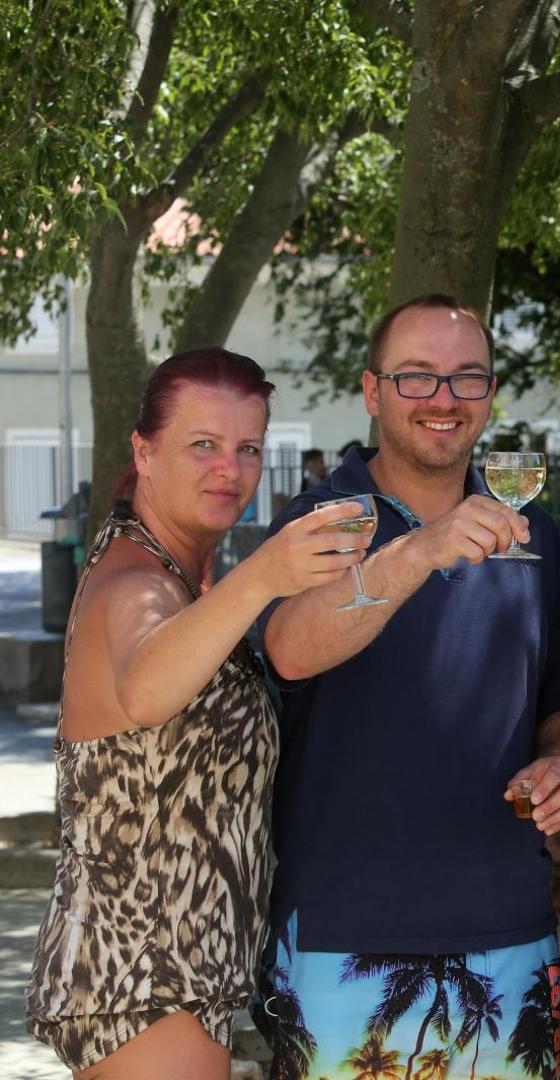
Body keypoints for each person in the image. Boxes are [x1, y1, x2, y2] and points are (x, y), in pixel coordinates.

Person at [252, 295, 560, 1079]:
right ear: (373, 393)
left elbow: (559, 703)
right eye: (417, 378)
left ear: (491, 394)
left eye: (467, 379)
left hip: (509, 935)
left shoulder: (533, 533)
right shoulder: (320, 519)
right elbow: (291, 650)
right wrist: (419, 548)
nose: (444, 399)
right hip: (345, 941)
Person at [27, 348, 369, 1078]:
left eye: (248, 448)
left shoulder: (183, 578)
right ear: (144, 453)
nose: (231, 470)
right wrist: (261, 577)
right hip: (141, 975)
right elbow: (148, 690)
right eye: (203, 445)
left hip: (185, 971)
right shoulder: (133, 585)